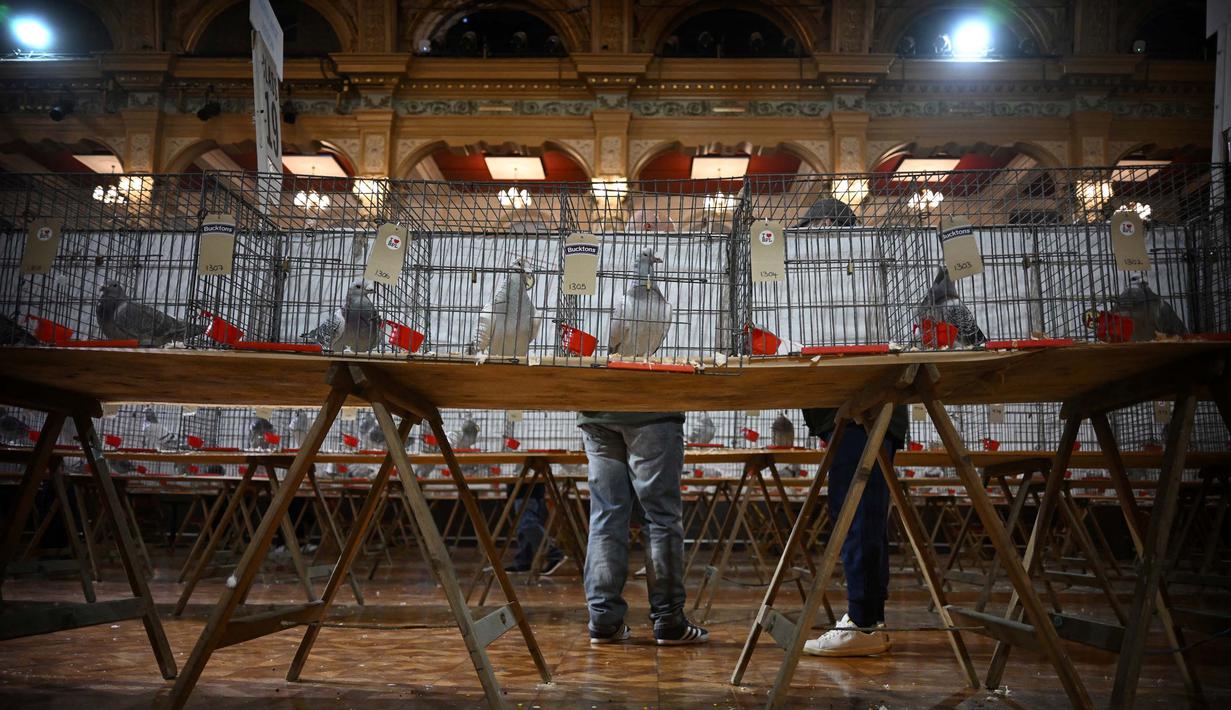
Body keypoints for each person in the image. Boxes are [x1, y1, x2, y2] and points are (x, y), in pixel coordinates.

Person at [577, 410, 708, 645]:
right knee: (661, 518)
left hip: (598, 410)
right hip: (653, 408)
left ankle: (603, 620)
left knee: (606, 517)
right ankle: (669, 620)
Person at [799, 405, 908, 656]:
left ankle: (863, 623)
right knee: (862, 512)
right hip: (859, 414)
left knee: (857, 513)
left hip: (860, 413)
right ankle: (870, 620)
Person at [503, 482, 565, 574]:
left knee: (527, 524)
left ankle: (554, 553)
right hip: (524, 490)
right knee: (522, 526)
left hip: (528, 490)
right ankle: (524, 560)